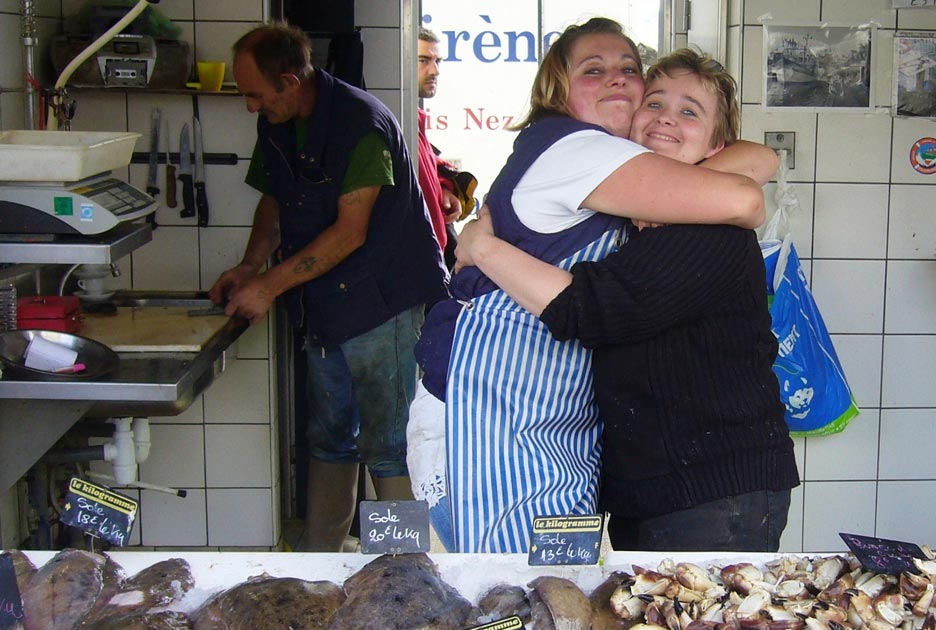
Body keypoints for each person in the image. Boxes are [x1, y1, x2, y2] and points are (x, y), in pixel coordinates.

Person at [409, 17, 779, 553]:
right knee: (506, 603)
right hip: (484, 418)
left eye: (629, 70)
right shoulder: (576, 150)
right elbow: (742, 191)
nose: (616, 80)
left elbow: (751, 177)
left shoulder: (646, 187)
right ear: (556, 88)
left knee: (547, 602)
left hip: (626, 454)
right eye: (594, 70)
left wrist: (483, 247)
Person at [210, 22, 448, 551]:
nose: (249, 107)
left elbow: (350, 231)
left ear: (290, 80)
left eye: (254, 94)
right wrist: (251, 266)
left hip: (381, 303)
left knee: (388, 444)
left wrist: (268, 288)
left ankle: (408, 571)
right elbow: (274, 199)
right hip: (323, 306)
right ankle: (320, 567)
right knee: (330, 439)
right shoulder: (278, 123)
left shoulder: (360, 125)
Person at [416, 26, 469, 267]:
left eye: (438, 61)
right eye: (423, 60)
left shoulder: (414, 122)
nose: (434, 70)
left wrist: (444, 190)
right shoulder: (395, 123)